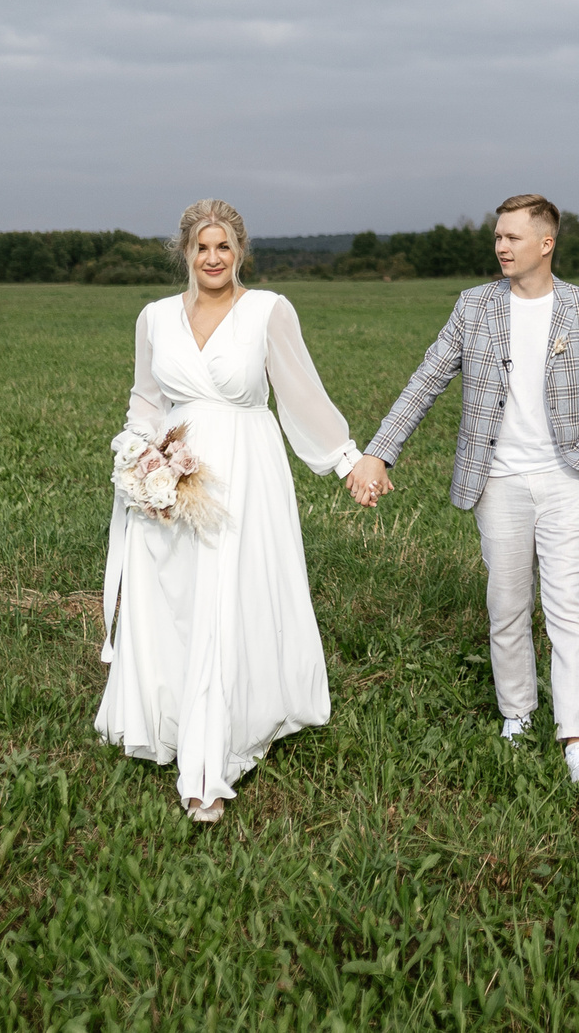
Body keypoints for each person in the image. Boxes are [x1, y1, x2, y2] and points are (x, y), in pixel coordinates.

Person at [95, 198, 379, 823]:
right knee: (175, 598)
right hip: (169, 476)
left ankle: (210, 760)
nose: (213, 257)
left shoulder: (268, 311)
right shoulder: (154, 318)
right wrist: (139, 463)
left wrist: (349, 460)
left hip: (244, 476)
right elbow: (145, 401)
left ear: (240, 252)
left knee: (227, 599)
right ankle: (169, 719)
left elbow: (302, 394)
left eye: (224, 247)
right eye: (202, 247)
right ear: (186, 253)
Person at [349, 193, 579, 787]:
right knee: (507, 604)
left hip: (571, 479)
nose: (500, 247)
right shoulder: (474, 308)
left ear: (545, 243)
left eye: (513, 237)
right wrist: (378, 451)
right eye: (497, 237)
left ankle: (577, 741)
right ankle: (517, 714)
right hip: (496, 479)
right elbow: (427, 380)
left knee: (569, 606)